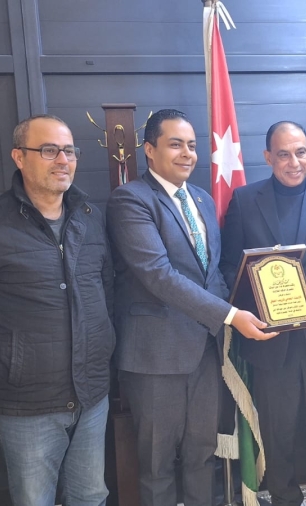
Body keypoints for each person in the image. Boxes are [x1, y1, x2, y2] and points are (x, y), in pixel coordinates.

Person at [0, 114, 114, 505]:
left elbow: (107, 295)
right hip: (27, 406)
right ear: (19, 157)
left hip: (91, 396)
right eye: (49, 150)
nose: (63, 160)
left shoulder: (89, 218)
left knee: (91, 495)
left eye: (69, 151)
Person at [106, 109, 276, 506]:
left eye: (193, 145)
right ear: (150, 150)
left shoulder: (201, 198)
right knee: (157, 464)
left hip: (205, 350)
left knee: (202, 456)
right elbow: (158, 275)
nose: (187, 154)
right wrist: (231, 316)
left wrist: (258, 307)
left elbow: (211, 275)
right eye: (175, 144)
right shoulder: (130, 200)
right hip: (155, 357)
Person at [220, 121, 306, 506]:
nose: (294, 162)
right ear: (268, 157)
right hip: (270, 341)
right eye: (283, 154)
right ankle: (284, 499)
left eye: (300, 152)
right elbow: (230, 267)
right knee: (277, 433)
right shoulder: (244, 200)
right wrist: (251, 307)